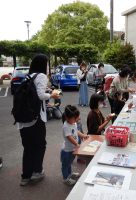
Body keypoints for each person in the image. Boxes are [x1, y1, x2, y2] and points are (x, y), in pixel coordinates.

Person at [17, 54, 60, 186]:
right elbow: (41, 95)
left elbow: (35, 92)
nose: (48, 67)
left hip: (23, 118)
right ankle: (37, 171)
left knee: (28, 147)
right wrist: (52, 94)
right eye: (47, 64)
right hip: (36, 118)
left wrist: (47, 90)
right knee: (40, 145)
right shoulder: (41, 76)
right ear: (43, 65)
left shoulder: (29, 76)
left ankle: (25, 176)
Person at [61, 105, 88, 185]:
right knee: (65, 165)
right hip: (67, 150)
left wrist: (83, 135)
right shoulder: (66, 126)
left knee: (69, 163)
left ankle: (70, 174)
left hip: (73, 149)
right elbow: (69, 137)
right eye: (75, 118)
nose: (77, 119)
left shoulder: (74, 123)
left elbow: (76, 131)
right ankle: (66, 178)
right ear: (67, 118)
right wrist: (76, 143)